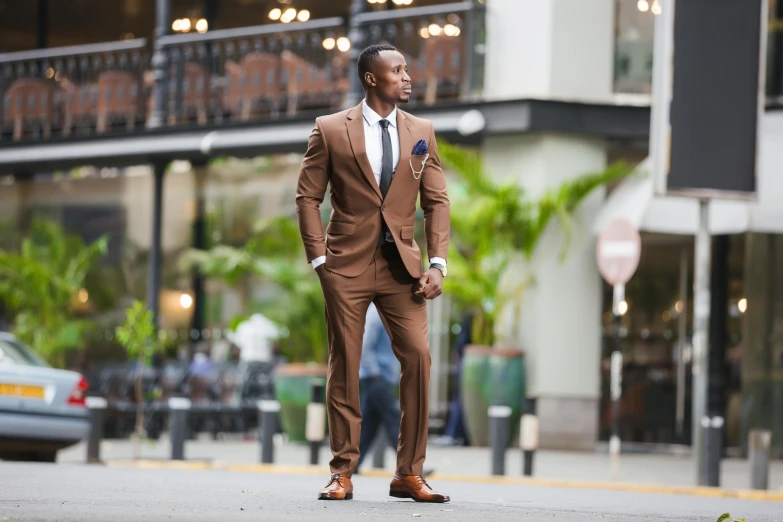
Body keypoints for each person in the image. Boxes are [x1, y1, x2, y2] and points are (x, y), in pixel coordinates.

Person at [296, 44, 450, 503]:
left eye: (407, 68)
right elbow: (307, 197)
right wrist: (320, 259)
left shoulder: (422, 130)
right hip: (345, 264)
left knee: (419, 358)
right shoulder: (330, 129)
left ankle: (408, 473)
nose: (407, 77)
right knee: (345, 363)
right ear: (370, 78)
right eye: (397, 70)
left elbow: (436, 201)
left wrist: (438, 262)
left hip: (403, 267)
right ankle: (342, 471)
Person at [353, 303, 435, 476]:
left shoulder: (389, 310)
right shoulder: (376, 314)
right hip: (376, 376)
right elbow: (364, 343)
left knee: (369, 424)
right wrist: (373, 373)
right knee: (394, 420)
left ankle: (351, 464)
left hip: (381, 376)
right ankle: (410, 466)